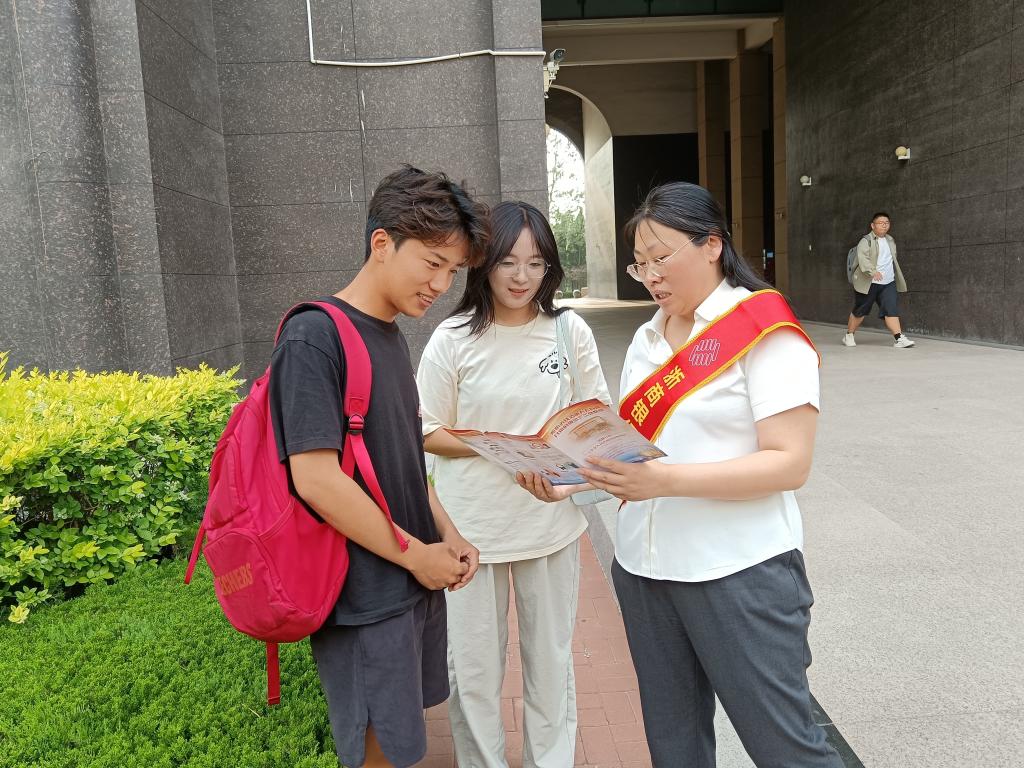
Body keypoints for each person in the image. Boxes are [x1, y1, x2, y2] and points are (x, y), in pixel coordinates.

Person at [519, 182, 843, 768]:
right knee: (673, 745)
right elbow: (635, 456)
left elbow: (789, 462)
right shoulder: (648, 337)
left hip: (737, 572)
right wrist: (571, 480)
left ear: (712, 244)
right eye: (639, 264)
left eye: (661, 258)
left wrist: (666, 483)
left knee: (784, 747)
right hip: (644, 571)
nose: (650, 276)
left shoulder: (766, 332)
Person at [268, 166, 488, 768]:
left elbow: (403, 458)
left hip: (407, 581)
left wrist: (447, 533)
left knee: (401, 743)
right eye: (433, 262)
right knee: (379, 753)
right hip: (365, 596)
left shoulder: (389, 334)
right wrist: (415, 555)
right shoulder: (313, 338)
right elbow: (316, 479)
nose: (441, 284)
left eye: (453, 270)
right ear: (382, 242)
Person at [416, 201, 612, 768]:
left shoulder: (568, 331)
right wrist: (496, 445)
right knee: (474, 671)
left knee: (550, 664)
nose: (522, 277)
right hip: (471, 530)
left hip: (550, 524)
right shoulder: (453, 337)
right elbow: (425, 430)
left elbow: (597, 420)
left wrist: (566, 478)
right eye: (507, 261)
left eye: (536, 263)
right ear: (483, 264)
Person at [843, 212, 914, 348]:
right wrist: (872, 271)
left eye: (887, 223)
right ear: (872, 225)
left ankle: (899, 338)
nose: (884, 225)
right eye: (881, 223)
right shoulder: (866, 241)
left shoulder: (890, 240)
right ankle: (849, 335)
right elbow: (863, 258)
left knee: (891, 309)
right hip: (868, 282)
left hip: (888, 282)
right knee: (860, 310)